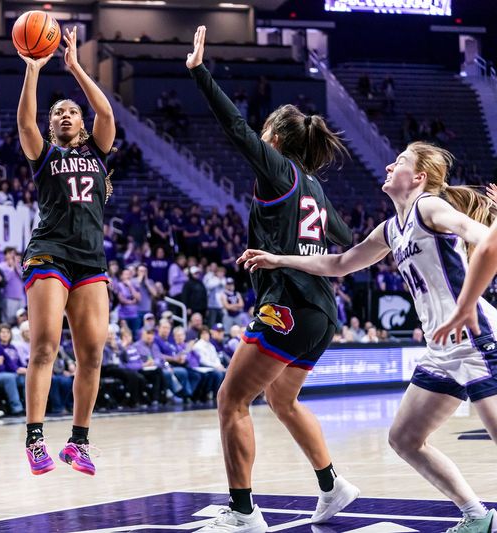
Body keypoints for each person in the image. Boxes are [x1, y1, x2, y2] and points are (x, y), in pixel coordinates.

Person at [239, 142, 497, 533]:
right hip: (441, 350)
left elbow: (479, 236)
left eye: (402, 162)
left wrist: (467, 302)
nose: (391, 165)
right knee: (406, 439)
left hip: (477, 339)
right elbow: (341, 263)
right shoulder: (393, 228)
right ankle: (478, 517)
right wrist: (279, 259)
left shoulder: (429, 207)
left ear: (420, 177)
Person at [186, 26, 357, 533]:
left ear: (277, 140)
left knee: (231, 400)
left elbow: (236, 130)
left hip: (287, 304)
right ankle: (333, 486)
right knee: (283, 399)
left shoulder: (279, 168)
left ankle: (244, 513)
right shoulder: (317, 192)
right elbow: (350, 245)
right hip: (321, 310)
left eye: (266, 137)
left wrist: (200, 73)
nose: (260, 143)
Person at [17, 26, 116, 476]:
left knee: (93, 353)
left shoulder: (98, 151)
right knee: (45, 346)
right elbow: (24, 122)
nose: (63, 116)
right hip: (50, 253)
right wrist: (33, 71)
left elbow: (106, 110)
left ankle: (79, 442)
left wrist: (76, 67)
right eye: (57, 113)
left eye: (70, 112)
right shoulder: (45, 157)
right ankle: (35, 438)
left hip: (90, 259)